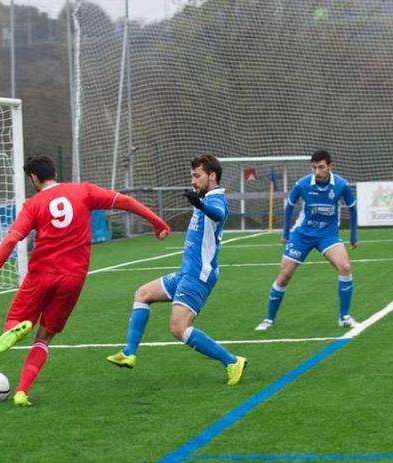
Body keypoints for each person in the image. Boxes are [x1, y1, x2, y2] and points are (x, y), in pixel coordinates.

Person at [0, 155, 171, 407]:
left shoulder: (33, 204)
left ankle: (17, 327)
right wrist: (158, 222)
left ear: (34, 178)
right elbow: (126, 201)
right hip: (73, 279)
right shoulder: (83, 191)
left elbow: (12, 240)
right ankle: (22, 391)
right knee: (43, 339)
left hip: (41, 275)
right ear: (54, 172)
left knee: (14, 322)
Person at [106, 155, 247, 385]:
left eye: (197, 175)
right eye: (192, 175)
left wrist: (200, 204)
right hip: (186, 272)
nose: (193, 181)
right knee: (142, 294)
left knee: (178, 327)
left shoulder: (215, 199)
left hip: (198, 275)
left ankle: (232, 361)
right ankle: (129, 353)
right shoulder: (205, 197)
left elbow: (218, 214)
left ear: (212, 176)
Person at [254, 149, 358, 331]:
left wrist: (353, 236)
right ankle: (269, 320)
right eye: (314, 168)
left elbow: (352, 208)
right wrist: (285, 234)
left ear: (330, 167)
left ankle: (344, 317)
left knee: (345, 267)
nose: (317, 171)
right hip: (302, 234)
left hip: (328, 235)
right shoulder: (303, 184)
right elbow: (289, 206)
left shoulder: (341, 185)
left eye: (321, 167)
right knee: (284, 275)